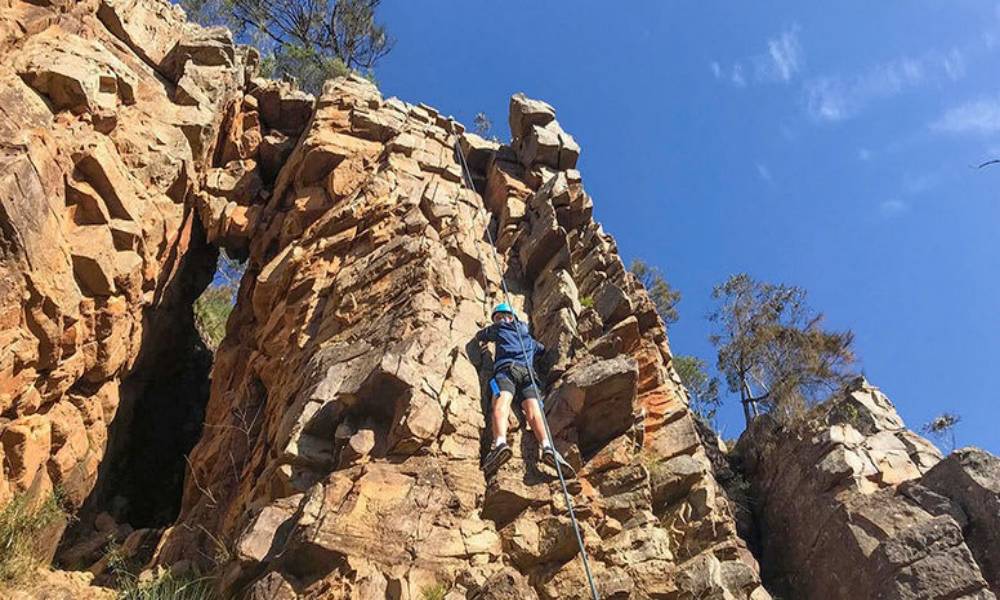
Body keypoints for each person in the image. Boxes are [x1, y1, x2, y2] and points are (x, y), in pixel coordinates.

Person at [476, 302, 575, 477]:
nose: (498, 320)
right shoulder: (529, 340)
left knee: (501, 403)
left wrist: (484, 345)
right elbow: (543, 350)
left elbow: (481, 335)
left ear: (506, 318)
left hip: (507, 370)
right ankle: (547, 447)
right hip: (529, 376)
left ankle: (500, 443)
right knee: (535, 411)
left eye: (499, 317)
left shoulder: (499, 329)